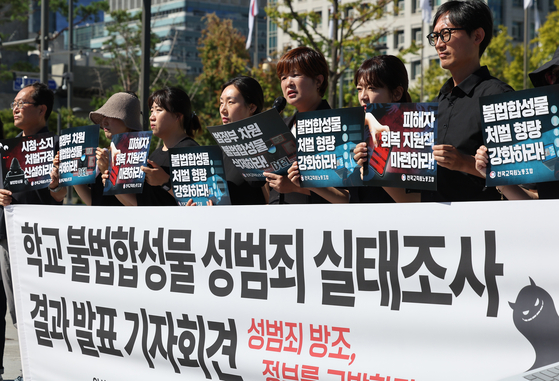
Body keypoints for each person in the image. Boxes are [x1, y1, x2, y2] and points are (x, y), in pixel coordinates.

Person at [419, 0, 514, 202]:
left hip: (481, 224)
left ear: (477, 36)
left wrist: (464, 162)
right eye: (435, 36)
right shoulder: (440, 99)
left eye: (446, 34)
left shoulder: (497, 96)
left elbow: (517, 172)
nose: (438, 44)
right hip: (432, 220)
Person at [0, 82, 62, 380]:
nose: (15, 108)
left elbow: (61, 196)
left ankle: (35, 372)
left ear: (41, 110)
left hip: (38, 240)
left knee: (35, 312)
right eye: (15, 103)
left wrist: (55, 184)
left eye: (22, 103)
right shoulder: (8, 148)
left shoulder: (56, 147)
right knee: (13, 311)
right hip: (7, 237)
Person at [265, 46, 349, 204]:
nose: (288, 83)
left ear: (318, 80)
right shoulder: (281, 126)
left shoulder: (339, 126)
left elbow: (347, 197)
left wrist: (296, 187)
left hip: (317, 223)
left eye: (295, 75)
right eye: (283, 78)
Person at [474, 45, 559, 200]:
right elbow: (537, 201)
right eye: (554, 75)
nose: (555, 82)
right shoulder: (547, 139)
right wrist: (495, 175)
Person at [107, 87, 201, 206]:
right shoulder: (155, 155)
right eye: (151, 111)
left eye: (158, 110)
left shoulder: (191, 151)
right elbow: (140, 205)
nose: (152, 117)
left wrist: (165, 182)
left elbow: (200, 202)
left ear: (178, 116)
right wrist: (113, 182)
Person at [51, 92, 143, 206]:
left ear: (128, 122)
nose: (104, 121)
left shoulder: (138, 159)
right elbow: (94, 201)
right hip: (100, 222)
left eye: (112, 116)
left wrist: (107, 172)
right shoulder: (103, 156)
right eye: (104, 117)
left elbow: (134, 205)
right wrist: (71, 171)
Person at [350, 55, 419, 203]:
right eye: (359, 89)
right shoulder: (356, 133)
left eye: (372, 88)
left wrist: (374, 172)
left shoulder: (414, 135)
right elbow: (348, 199)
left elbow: (418, 201)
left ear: (397, 93)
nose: (363, 96)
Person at [219, 76, 268, 204]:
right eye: (221, 103)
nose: (223, 109)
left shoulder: (266, 146)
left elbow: (272, 200)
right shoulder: (222, 149)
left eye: (230, 102)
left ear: (252, 107)